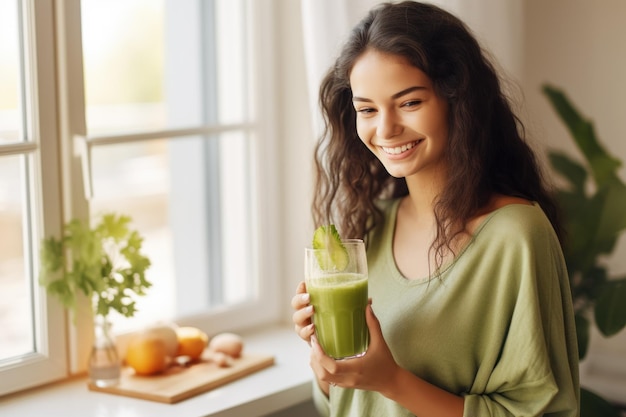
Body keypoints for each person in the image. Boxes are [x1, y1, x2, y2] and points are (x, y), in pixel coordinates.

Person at [291, 1, 580, 416]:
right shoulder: (370, 227)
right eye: (367, 109)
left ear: (457, 99)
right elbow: (349, 403)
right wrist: (328, 363)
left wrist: (391, 380)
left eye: (409, 102)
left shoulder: (516, 236)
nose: (386, 129)